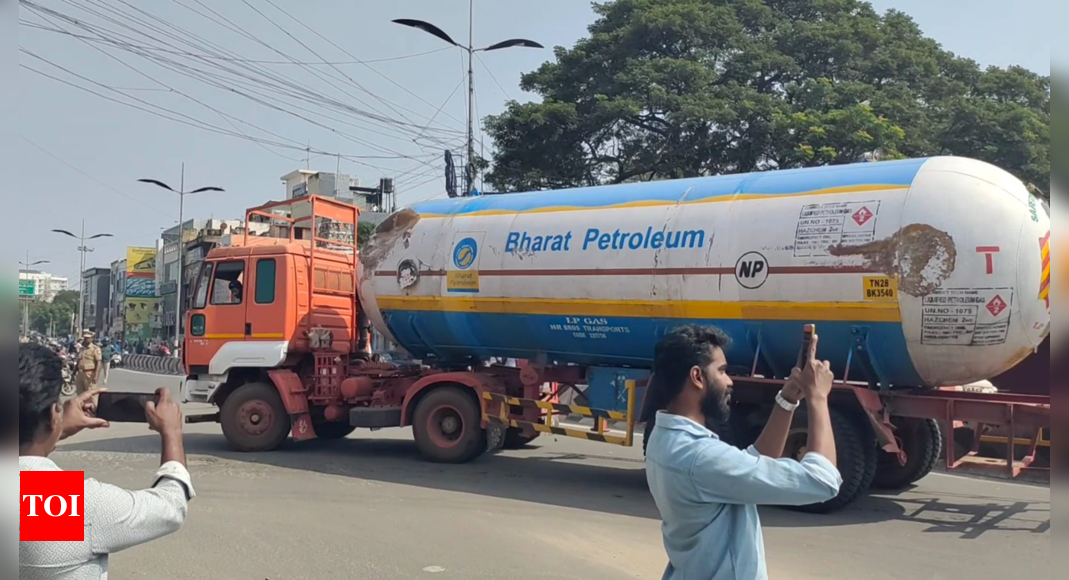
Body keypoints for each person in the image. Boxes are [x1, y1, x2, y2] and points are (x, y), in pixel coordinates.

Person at [644, 326, 843, 580]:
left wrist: (788, 397)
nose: (730, 381)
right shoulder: (700, 457)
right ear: (697, 377)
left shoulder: (664, 439)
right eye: (722, 371)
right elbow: (822, 481)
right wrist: (818, 397)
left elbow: (752, 463)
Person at [18, 343, 195, 579]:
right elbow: (171, 507)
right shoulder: (57, 501)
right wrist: (171, 432)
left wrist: (54, 433)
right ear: (52, 415)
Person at [74, 332, 102, 404]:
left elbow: (99, 362)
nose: (86, 340)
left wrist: (96, 375)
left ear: (91, 339)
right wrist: (73, 372)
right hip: (80, 373)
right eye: (85, 338)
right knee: (80, 395)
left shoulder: (95, 349)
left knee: (91, 394)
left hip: (89, 373)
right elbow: (78, 361)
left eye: (88, 338)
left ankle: (93, 411)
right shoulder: (82, 349)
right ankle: (82, 411)